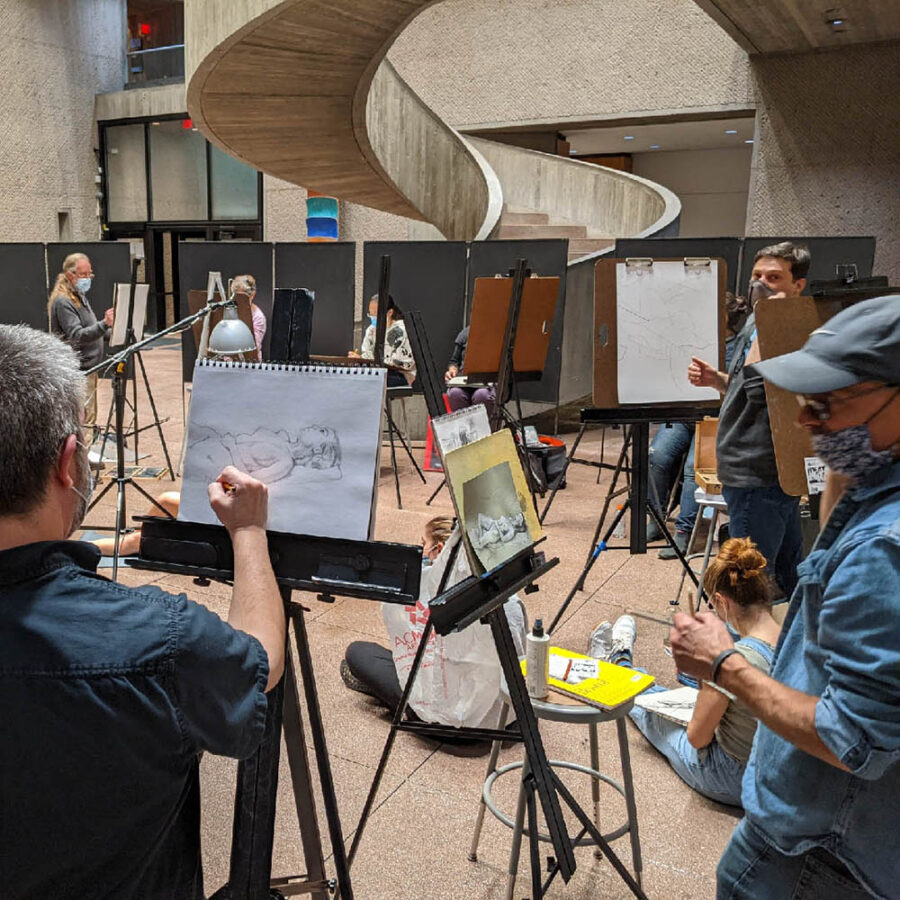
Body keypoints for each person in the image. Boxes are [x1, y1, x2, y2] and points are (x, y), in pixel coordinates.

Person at [0, 323, 286, 899]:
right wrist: (250, 531)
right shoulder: (159, 640)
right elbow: (260, 660)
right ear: (67, 462)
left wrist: (122, 544)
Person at [671, 295, 900, 899]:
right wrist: (851, 470)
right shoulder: (875, 494)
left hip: (812, 854)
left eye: (827, 404)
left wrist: (725, 666)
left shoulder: (882, 550)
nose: (805, 420)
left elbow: (851, 737)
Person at [591, 538, 778, 807]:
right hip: (784, 775)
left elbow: (698, 737)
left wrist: (708, 681)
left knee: (654, 716)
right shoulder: (795, 638)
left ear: (720, 602)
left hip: (734, 776)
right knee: (669, 697)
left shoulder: (732, 661)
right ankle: (620, 664)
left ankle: (614, 668)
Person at [688, 242, 809, 598]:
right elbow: (748, 387)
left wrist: (771, 324)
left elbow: (764, 393)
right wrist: (718, 381)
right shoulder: (756, 324)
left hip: (759, 472)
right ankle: (789, 647)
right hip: (754, 472)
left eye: (774, 278)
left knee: (747, 582)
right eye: (757, 276)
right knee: (787, 573)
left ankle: (742, 650)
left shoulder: (790, 328)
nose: (762, 284)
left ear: (797, 286)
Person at [341, 516, 526, 732]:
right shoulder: (508, 594)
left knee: (358, 653)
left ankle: (404, 708)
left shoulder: (429, 585)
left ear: (438, 549)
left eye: (423, 544)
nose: (421, 551)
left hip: (445, 723)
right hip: (504, 716)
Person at [651, 293, 750, 559]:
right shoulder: (692, 339)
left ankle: (685, 532)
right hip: (685, 413)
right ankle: (657, 519)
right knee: (656, 455)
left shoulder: (741, 345)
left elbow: (740, 386)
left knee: (694, 469)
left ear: (726, 317)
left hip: (716, 419)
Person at [48, 252, 115, 435]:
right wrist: (104, 324)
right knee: (83, 420)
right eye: (83, 275)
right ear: (70, 275)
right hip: (78, 370)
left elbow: (92, 330)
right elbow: (77, 335)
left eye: (89, 274)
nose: (87, 279)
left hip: (89, 368)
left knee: (89, 416)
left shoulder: (79, 296)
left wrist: (117, 333)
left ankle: (87, 457)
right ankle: (83, 460)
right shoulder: (64, 302)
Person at [353, 294, 416, 387]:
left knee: (368, 380)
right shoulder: (371, 330)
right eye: (371, 314)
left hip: (400, 374)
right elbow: (367, 352)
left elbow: (404, 363)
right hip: (377, 370)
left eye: (376, 314)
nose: (373, 317)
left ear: (389, 313)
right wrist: (359, 359)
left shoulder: (400, 331)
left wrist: (373, 361)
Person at [444, 325, 496, 418]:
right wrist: (452, 370)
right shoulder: (465, 333)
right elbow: (454, 361)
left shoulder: (497, 333)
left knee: (482, 395)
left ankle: (483, 430)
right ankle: (463, 429)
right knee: (455, 394)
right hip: (464, 382)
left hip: (487, 383)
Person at [231, 273, 266, 361]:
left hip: (249, 365)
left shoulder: (258, 317)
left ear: (252, 295)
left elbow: (253, 347)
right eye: (236, 297)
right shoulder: (230, 311)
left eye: (242, 298)